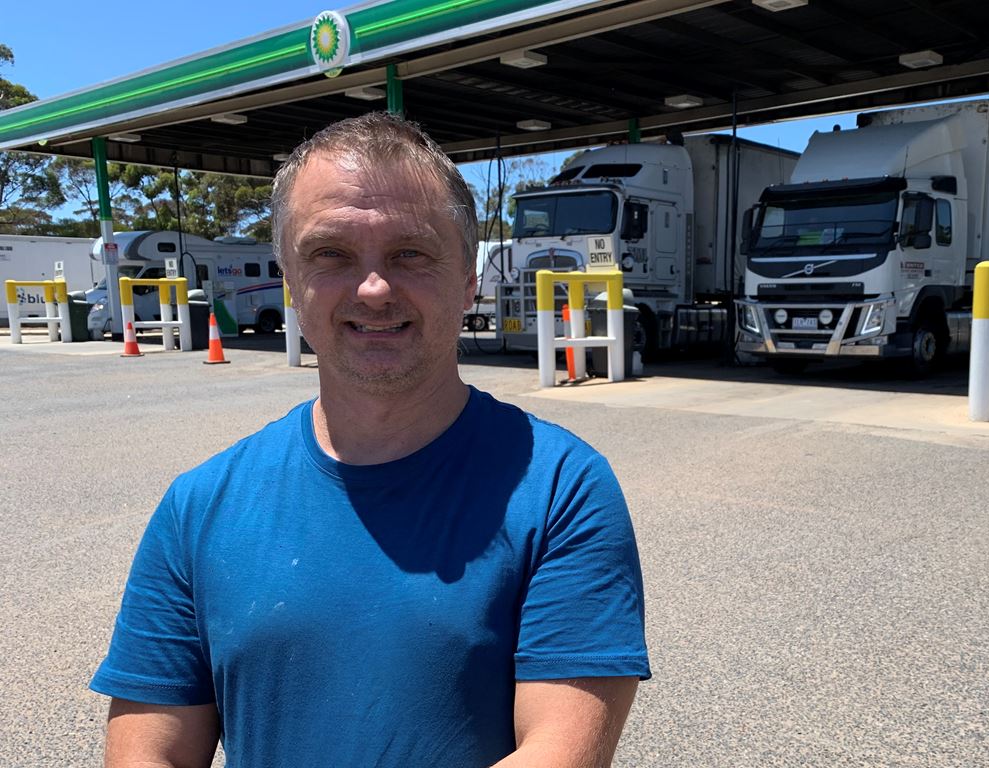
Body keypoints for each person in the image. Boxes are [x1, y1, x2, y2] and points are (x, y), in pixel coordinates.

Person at [91, 112, 650, 767]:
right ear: (291, 280)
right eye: (331, 254)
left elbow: (559, 752)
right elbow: (147, 751)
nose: (374, 288)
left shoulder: (563, 490)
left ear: (468, 276)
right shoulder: (198, 506)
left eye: (410, 253)